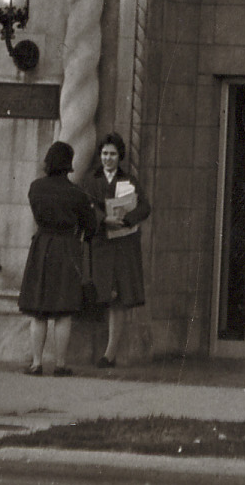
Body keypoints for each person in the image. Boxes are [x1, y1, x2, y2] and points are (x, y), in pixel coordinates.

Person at [18, 139, 100, 374]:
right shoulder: (77, 194)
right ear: (69, 164)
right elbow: (91, 227)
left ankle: (36, 363)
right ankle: (61, 365)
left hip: (42, 246)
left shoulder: (36, 188)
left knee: (38, 310)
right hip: (67, 248)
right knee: (63, 311)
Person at [78, 132, 152, 366]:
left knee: (118, 297)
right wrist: (102, 220)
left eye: (112, 154)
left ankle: (109, 353)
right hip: (100, 244)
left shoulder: (129, 181)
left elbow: (144, 206)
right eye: (104, 154)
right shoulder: (91, 180)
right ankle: (89, 350)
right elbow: (84, 206)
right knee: (99, 293)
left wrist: (128, 219)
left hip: (122, 244)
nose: (108, 158)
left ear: (120, 156)